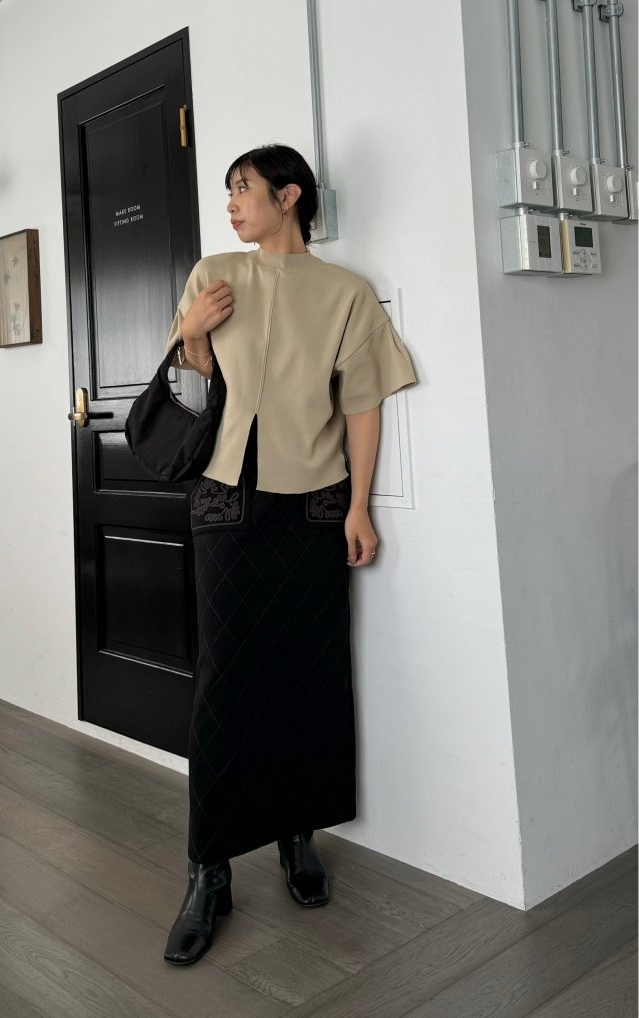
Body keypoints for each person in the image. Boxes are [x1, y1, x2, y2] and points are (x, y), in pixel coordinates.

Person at [162, 144, 417, 965]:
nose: (232, 203)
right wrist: (191, 337)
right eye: (228, 191)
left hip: (313, 506)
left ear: (290, 195)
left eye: (244, 188)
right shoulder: (213, 274)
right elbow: (196, 386)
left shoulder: (345, 292)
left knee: (310, 671)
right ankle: (208, 869)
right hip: (225, 501)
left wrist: (361, 506)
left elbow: (364, 404)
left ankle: (296, 835)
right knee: (224, 680)